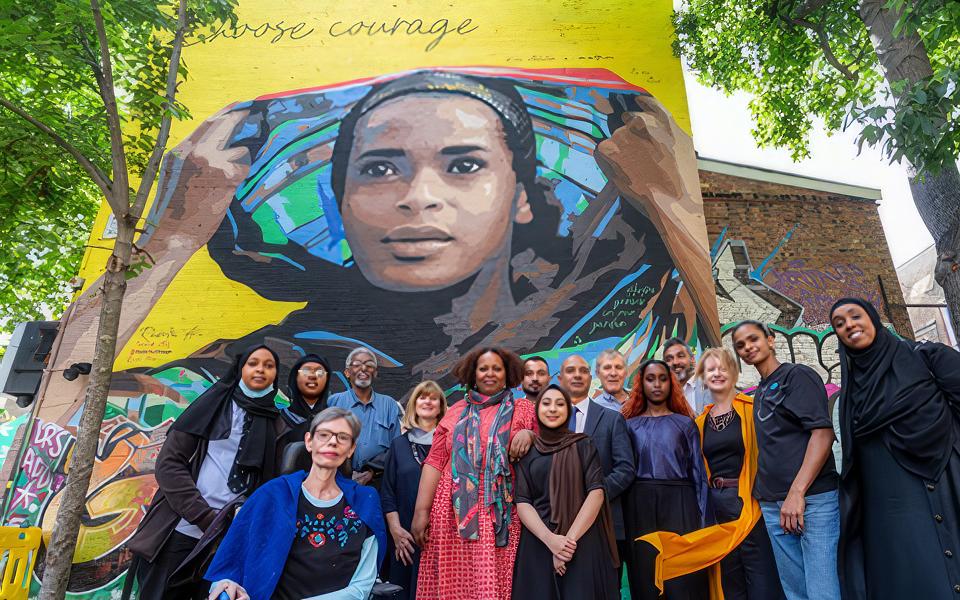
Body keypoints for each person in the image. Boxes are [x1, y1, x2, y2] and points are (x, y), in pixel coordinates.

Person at [127, 344, 292, 600]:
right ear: (240, 369)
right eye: (253, 363)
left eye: (269, 365)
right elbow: (169, 465)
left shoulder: (277, 424)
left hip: (228, 540)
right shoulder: (211, 407)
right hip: (180, 530)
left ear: (275, 375)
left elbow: (270, 486)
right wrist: (204, 517)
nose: (261, 369)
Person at [830, 298, 960, 600]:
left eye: (854, 316)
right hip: (889, 506)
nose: (849, 325)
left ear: (873, 318)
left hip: (944, 480)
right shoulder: (852, 393)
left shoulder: (926, 357)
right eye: (839, 323)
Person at [205, 407, 386, 600]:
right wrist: (226, 583)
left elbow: (362, 587)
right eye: (324, 435)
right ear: (309, 441)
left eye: (342, 437)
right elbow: (231, 560)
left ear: (351, 449)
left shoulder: (365, 500)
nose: (332, 442)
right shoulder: (273, 494)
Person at [410, 347, 537, 600]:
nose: (490, 374)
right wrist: (421, 512)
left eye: (497, 368)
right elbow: (435, 461)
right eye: (483, 368)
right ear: (473, 374)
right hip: (450, 510)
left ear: (508, 373)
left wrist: (529, 434)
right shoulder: (455, 411)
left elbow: (544, 444)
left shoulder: (522, 409)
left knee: (492, 581)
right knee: (451, 582)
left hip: (497, 512)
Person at [732, 320, 840, 600]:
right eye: (740, 345)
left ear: (771, 339)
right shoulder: (759, 392)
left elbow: (823, 434)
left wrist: (797, 493)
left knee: (822, 592)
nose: (747, 347)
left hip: (813, 501)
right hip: (773, 505)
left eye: (753, 339)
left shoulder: (797, 376)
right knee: (796, 594)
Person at [512, 384, 620, 599]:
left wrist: (567, 544)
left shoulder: (583, 444)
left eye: (560, 404)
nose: (553, 409)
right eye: (546, 403)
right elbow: (523, 501)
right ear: (537, 410)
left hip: (581, 541)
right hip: (539, 542)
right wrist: (551, 541)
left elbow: (596, 492)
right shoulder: (528, 451)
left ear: (568, 410)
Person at [621, 359, 707, 600]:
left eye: (662, 378)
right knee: (645, 573)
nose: (656, 384)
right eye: (650, 379)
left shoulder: (685, 424)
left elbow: (698, 475)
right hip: (640, 504)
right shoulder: (630, 426)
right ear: (641, 384)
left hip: (680, 503)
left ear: (671, 384)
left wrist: (702, 520)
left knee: (681, 577)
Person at [557, 355, 635, 584]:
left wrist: (594, 496)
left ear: (591, 378)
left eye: (583, 371)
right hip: (559, 525)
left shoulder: (611, 419)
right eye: (571, 370)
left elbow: (625, 469)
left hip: (605, 523)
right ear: (561, 378)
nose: (578, 375)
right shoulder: (548, 420)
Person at [382, 380, 448, 600]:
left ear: (441, 406)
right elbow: (388, 493)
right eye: (422, 396)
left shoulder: (451, 444)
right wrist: (396, 531)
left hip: (441, 537)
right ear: (413, 403)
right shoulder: (399, 445)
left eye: (433, 397)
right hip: (405, 539)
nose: (427, 401)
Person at [328, 347, 402, 486]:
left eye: (369, 365)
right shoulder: (334, 402)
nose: (364, 369)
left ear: (375, 372)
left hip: (378, 481)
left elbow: (396, 448)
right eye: (356, 364)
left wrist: (372, 471)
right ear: (347, 372)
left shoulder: (389, 405)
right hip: (338, 481)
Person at [280, 353, 332, 441]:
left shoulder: (334, 421)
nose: (312, 376)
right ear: (295, 377)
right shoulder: (280, 420)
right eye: (306, 371)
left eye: (319, 372)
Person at [664, 337, 709, 415]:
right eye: (669, 359)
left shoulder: (709, 384)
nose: (675, 362)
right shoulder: (663, 394)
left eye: (680, 356)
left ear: (692, 359)